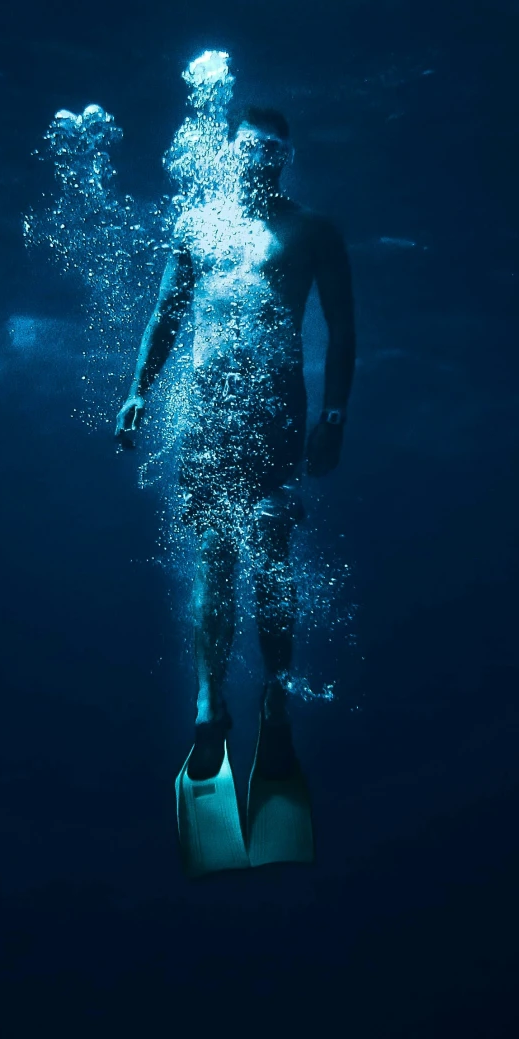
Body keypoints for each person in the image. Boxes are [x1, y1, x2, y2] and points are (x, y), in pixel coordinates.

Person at [116, 107, 354, 871]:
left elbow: (344, 330)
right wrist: (138, 391)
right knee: (217, 554)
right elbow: (165, 312)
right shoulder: (198, 225)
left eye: (272, 153)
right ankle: (208, 697)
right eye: (248, 150)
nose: (259, 164)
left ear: (287, 157)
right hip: (211, 419)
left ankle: (276, 697)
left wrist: (336, 416)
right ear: (229, 154)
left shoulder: (314, 229)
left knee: (273, 555)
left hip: (278, 415)